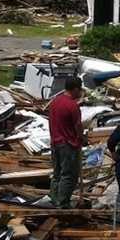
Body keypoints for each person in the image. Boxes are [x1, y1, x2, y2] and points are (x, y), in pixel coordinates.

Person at [48, 77, 84, 209]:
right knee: (68, 175)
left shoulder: (54, 102)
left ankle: (54, 198)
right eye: (80, 90)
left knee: (57, 173)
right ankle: (63, 203)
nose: (81, 93)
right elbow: (78, 126)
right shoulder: (72, 106)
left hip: (55, 142)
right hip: (68, 144)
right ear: (75, 89)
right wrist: (81, 138)